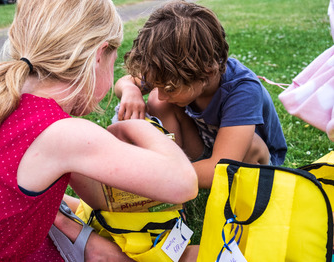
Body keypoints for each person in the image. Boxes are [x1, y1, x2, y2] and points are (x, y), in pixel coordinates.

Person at [0, 0, 198, 261]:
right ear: (97, 56)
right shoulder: (65, 134)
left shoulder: (4, 101)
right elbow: (183, 184)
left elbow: (100, 198)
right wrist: (135, 126)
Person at [114, 0, 287, 189]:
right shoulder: (177, 74)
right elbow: (126, 82)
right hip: (207, 148)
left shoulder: (242, 90)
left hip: (249, 161)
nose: (163, 94)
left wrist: (156, 175)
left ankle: (175, 176)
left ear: (207, 72)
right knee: (157, 101)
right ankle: (177, 170)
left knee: (251, 145)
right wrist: (130, 91)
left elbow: (220, 168)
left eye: (169, 89)